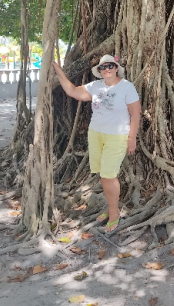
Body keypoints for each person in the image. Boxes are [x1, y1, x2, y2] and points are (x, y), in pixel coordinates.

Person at [52, 54, 141, 232]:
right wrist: (56, 68)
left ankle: (114, 213)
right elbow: (71, 91)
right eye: (103, 67)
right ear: (99, 71)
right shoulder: (95, 86)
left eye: (110, 66)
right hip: (96, 134)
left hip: (117, 136)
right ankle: (110, 207)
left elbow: (136, 113)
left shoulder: (126, 87)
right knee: (103, 175)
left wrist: (132, 138)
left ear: (116, 68)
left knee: (108, 175)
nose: (107, 69)